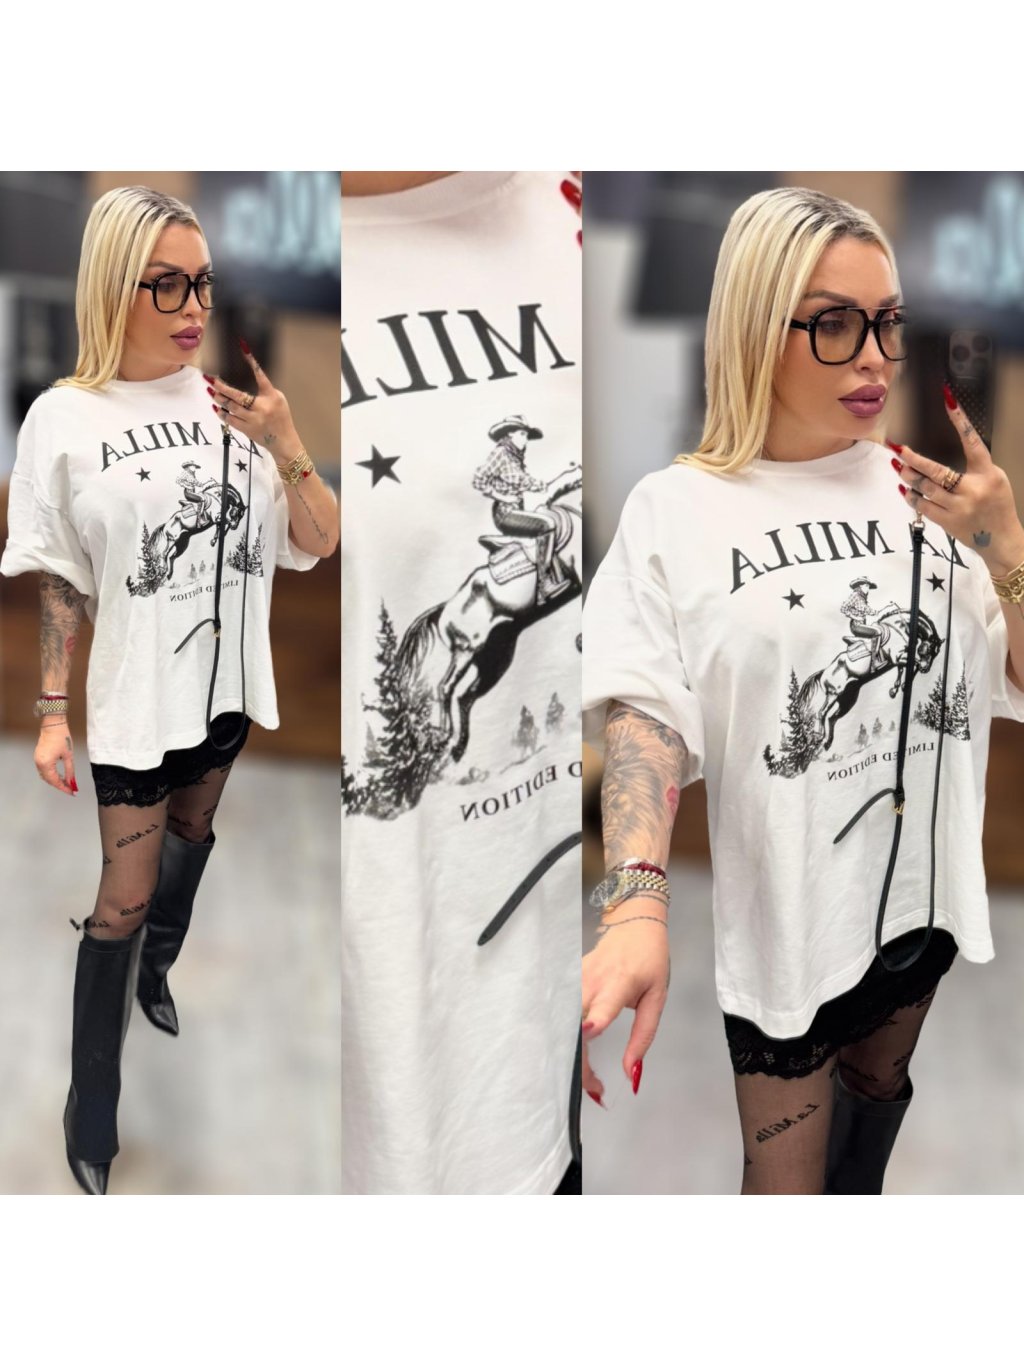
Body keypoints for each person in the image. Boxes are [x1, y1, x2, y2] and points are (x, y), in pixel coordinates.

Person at [582, 186, 1024, 1195]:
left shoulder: (929, 495)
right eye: (833, 324)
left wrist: (1005, 550)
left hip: (916, 909)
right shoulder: (676, 511)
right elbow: (645, 714)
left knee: (864, 1149)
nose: (874, 357)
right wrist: (634, 902)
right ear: (755, 327)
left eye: (887, 322)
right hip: (790, 936)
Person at [1, 184, 338, 1195]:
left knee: (195, 836)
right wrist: (51, 712)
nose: (195, 307)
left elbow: (318, 542)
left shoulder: (236, 412)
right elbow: (60, 575)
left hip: (223, 693)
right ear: (116, 287)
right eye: (168, 285)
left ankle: (159, 966)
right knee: (123, 895)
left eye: (203, 283)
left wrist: (287, 441)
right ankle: (92, 1103)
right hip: (137, 707)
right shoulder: (64, 419)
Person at [340, 172, 582, 1194]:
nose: (516, 442)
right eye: (513, 441)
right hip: (384, 1054)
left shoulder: (573, 205)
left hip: (537, 1029)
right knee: (528, 553)